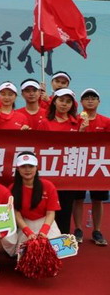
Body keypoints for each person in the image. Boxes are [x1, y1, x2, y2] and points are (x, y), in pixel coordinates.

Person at [37, 88, 87, 234]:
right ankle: (44, 239)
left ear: (72, 104)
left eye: (68, 101)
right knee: (46, 208)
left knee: (65, 209)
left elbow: (82, 148)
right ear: (54, 102)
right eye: (61, 100)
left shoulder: (78, 123)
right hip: (49, 173)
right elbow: (38, 146)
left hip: (67, 173)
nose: (64, 104)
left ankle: (62, 240)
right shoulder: (45, 123)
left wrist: (82, 133)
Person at [2, 152, 61, 256]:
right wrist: (28, 232)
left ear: (36, 167)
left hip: (46, 223)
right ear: (17, 169)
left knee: (51, 253)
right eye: (23, 166)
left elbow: (51, 213)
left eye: (31, 166)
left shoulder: (48, 186)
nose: (27, 170)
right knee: (28, 255)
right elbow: (16, 214)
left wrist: (44, 231)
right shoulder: (12, 188)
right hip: (25, 224)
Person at [72, 88, 109, 246]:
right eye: (86, 98)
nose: (90, 100)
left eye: (93, 98)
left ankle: (97, 231)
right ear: (81, 102)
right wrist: (80, 130)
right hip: (79, 163)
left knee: (97, 199)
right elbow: (67, 142)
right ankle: (78, 229)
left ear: (99, 102)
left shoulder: (106, 121)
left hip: (97, 165)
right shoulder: (74, 120)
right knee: (78, 198)